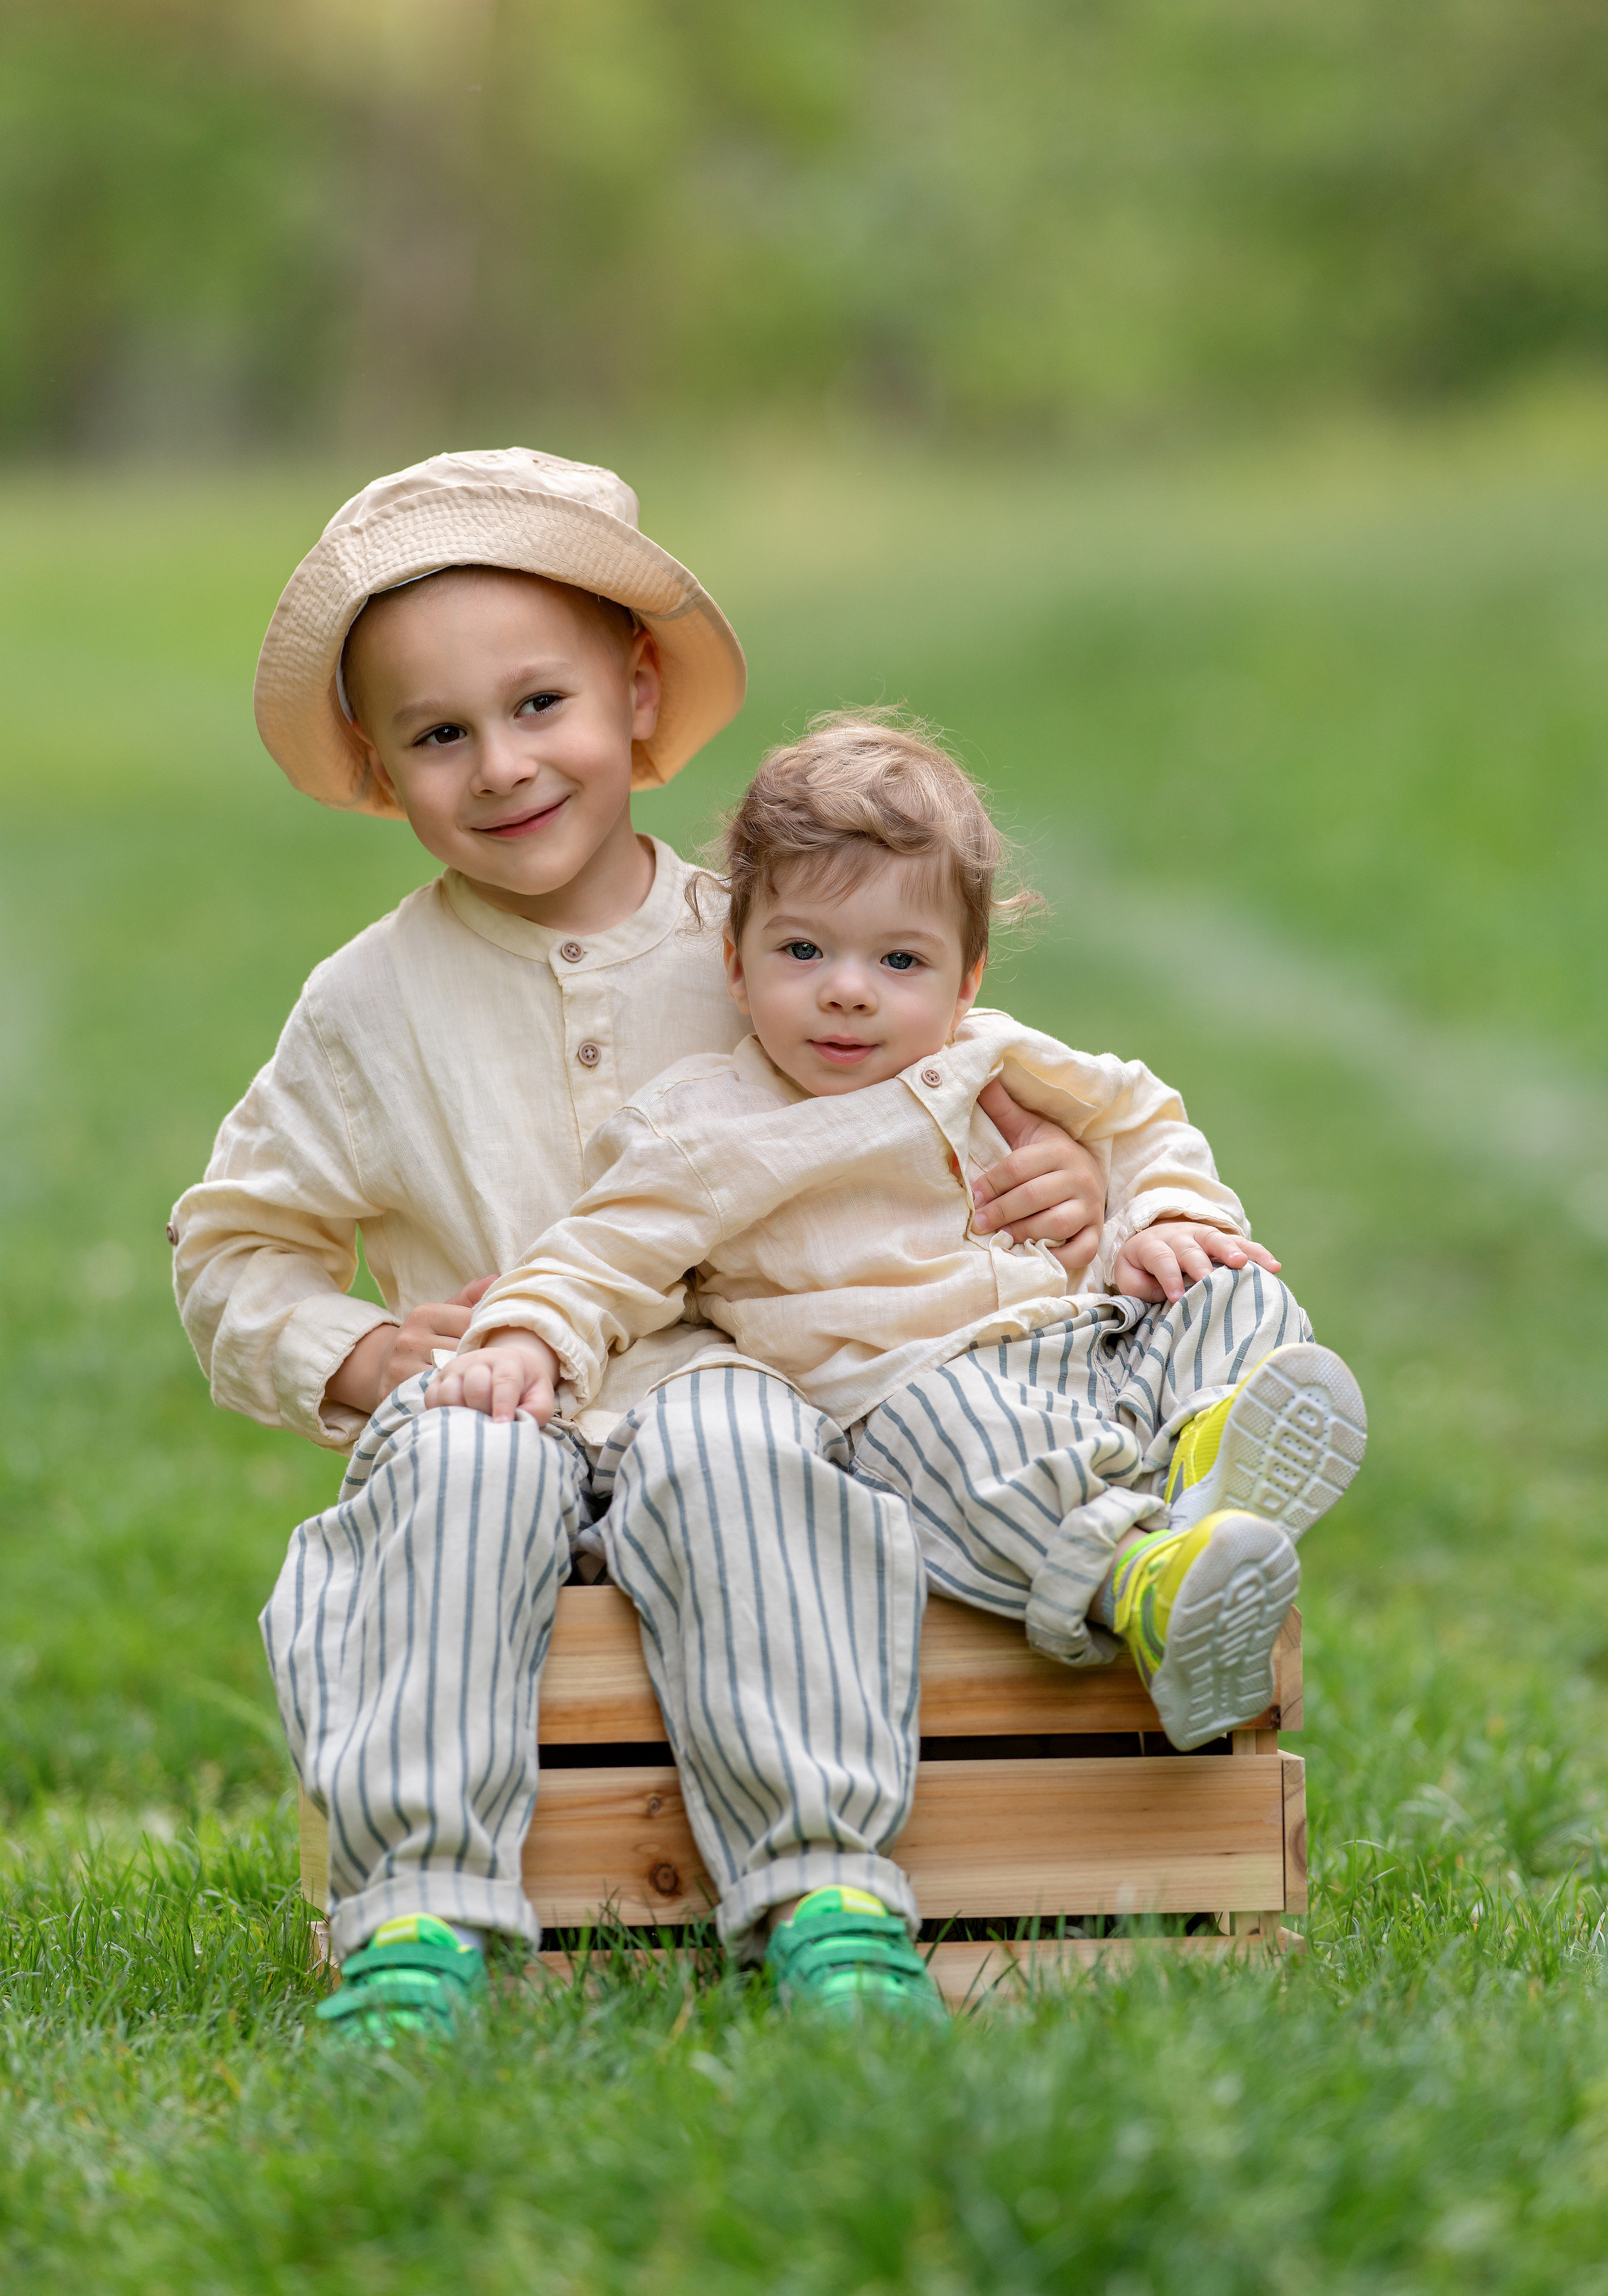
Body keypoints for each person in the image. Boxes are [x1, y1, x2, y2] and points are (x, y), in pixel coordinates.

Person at [172, 449, 1107, 2045]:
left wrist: (1071, 1177)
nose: (502, 766)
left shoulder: (769, 944)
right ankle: (417, 1912)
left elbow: (950, 1093)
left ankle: (822, 1884)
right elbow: (231, 1255)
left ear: (638, 694)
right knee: (463, 1473)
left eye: (541, 705)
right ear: (384, 772)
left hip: (730, 1388)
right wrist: (360, 1347)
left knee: (740, 1444)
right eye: (439, 734)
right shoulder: (364, 1007)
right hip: (491, 1395)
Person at [430, 712, 1368, 2013]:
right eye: (801, 950)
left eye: (898, 958)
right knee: (953, 1435)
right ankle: (1142, 1575)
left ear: (967, 976)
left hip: (1076, 1345)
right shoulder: (706, 1125)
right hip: (903, 1397)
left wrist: (1160, 1217)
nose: (847, 990)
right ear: (736, 958)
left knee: (1230, 1287)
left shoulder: (1004, 1062)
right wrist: (526, 1331)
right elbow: (604, 1250)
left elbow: (1144, 1117)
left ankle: (1217, 1450)